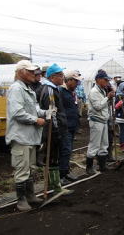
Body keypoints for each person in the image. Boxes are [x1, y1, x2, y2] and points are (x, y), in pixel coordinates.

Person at [6, 60, 47, 211]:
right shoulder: (16, 89)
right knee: (22, 169)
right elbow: (17, 113)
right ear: (21, 72)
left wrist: (45, 113)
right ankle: (21, 200)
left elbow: (34, 109)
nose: (33, 74)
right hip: (21, 136)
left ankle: (30, 195)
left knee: (30, 167)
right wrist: (36, 120)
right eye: (30, 71)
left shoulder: (28, 89)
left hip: (30, 136)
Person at [37, 63, 73, 195]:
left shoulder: (53, 88)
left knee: (54, 157)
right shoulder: (49, 90)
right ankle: (55, 186)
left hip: (55, 129)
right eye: (60, 75)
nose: (63, 77)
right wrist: (57, 130)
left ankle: (55, 185)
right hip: (52, 130)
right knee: (51, 157)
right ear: (52, 77)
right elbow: (52, 113)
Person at [86, 70, 115, 174]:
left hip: (103, 120)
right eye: (105, 80)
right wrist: (108, 97)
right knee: (94, 145)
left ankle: (102, 166)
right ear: (98, 80)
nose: (107, 82)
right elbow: (98, 106)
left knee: (104, 144)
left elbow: (104, 106)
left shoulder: (102, 90)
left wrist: (109, 98)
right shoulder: (94, 91)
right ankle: (89, 168)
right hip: (96, 120)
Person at [59, 70, 82, 184]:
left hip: (72, 125)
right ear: (69, 80)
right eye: (76, 81)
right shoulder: (61, 92)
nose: (77, 84)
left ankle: (66, 172)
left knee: (69, 150)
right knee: (65, 150)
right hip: (65, 126)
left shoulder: (70, 92)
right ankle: (61, 175)